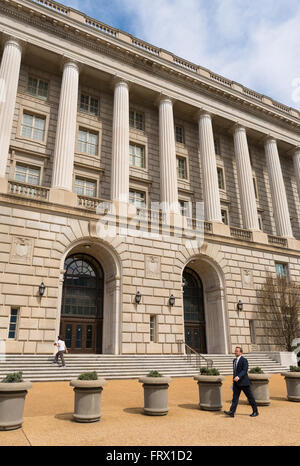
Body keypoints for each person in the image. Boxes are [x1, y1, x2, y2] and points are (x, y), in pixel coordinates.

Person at [224, 346, 258, 417]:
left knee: (250, 397)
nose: (235, 352)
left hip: (244, 383)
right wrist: (234, 379)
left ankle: (255, 411)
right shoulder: (234, 360)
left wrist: (238, 376)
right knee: (235, 398)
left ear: (241, 352)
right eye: (235, 351)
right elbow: (235, 371)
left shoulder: (244, 360)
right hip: (236, 383)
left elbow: (244, 370)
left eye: (237, 351)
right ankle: (232, 412)